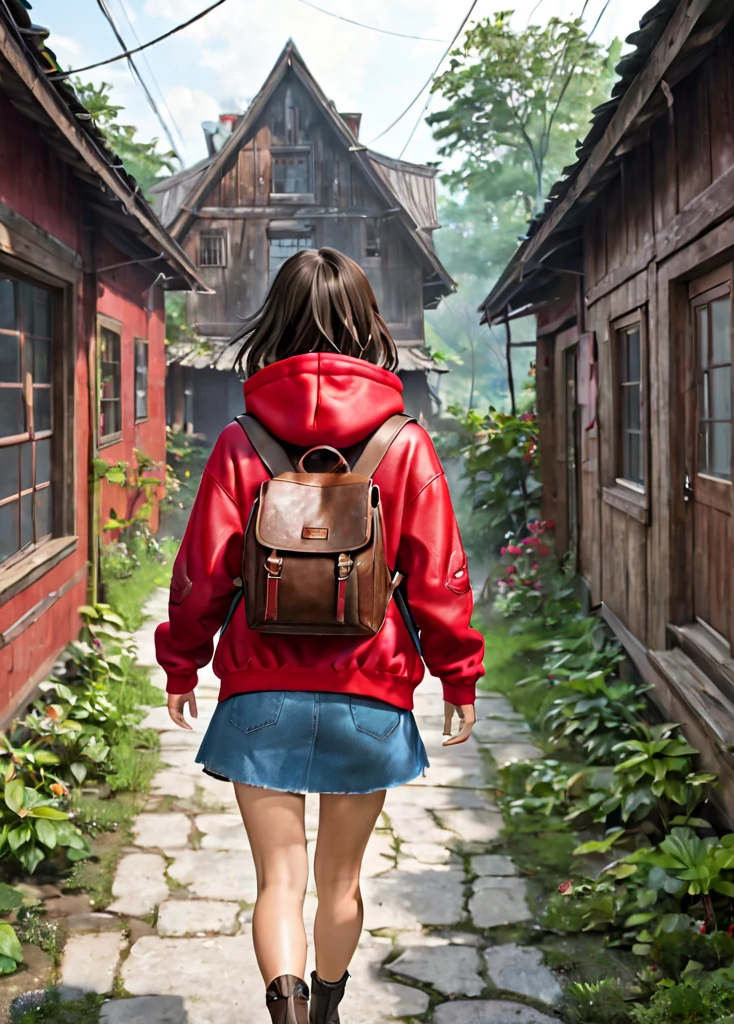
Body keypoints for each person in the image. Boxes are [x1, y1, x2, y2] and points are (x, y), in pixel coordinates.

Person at [155, 248, 485, 1024]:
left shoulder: (242, 440)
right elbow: (440, 573)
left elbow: (202, 570)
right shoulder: (404, 442)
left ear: (275, 322)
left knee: (279, 881)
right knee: (341, 883)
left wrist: (181, 664)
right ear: (369, 323)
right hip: (369, 695)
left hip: (258, 693)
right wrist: (457, 678)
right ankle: (329, 1010)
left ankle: (289, 1015)